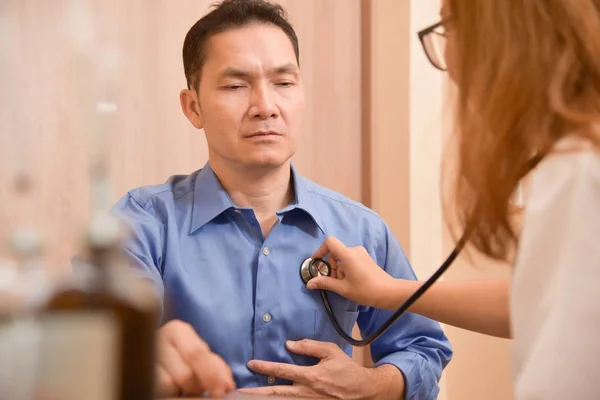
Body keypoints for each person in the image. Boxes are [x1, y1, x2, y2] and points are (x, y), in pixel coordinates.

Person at [110, 0, 452, 398]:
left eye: (284, 83)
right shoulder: (143, 224)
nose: (265, 107)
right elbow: (99, 353)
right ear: (193, 106)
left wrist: (371, 385)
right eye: (236, 85)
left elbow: (423, 348)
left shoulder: (360, 229)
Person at [306, 0, 600, 399]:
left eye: (447, 29)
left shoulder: (580, 173)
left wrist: (373, 384)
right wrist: (389, 290)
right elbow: (543, 298)